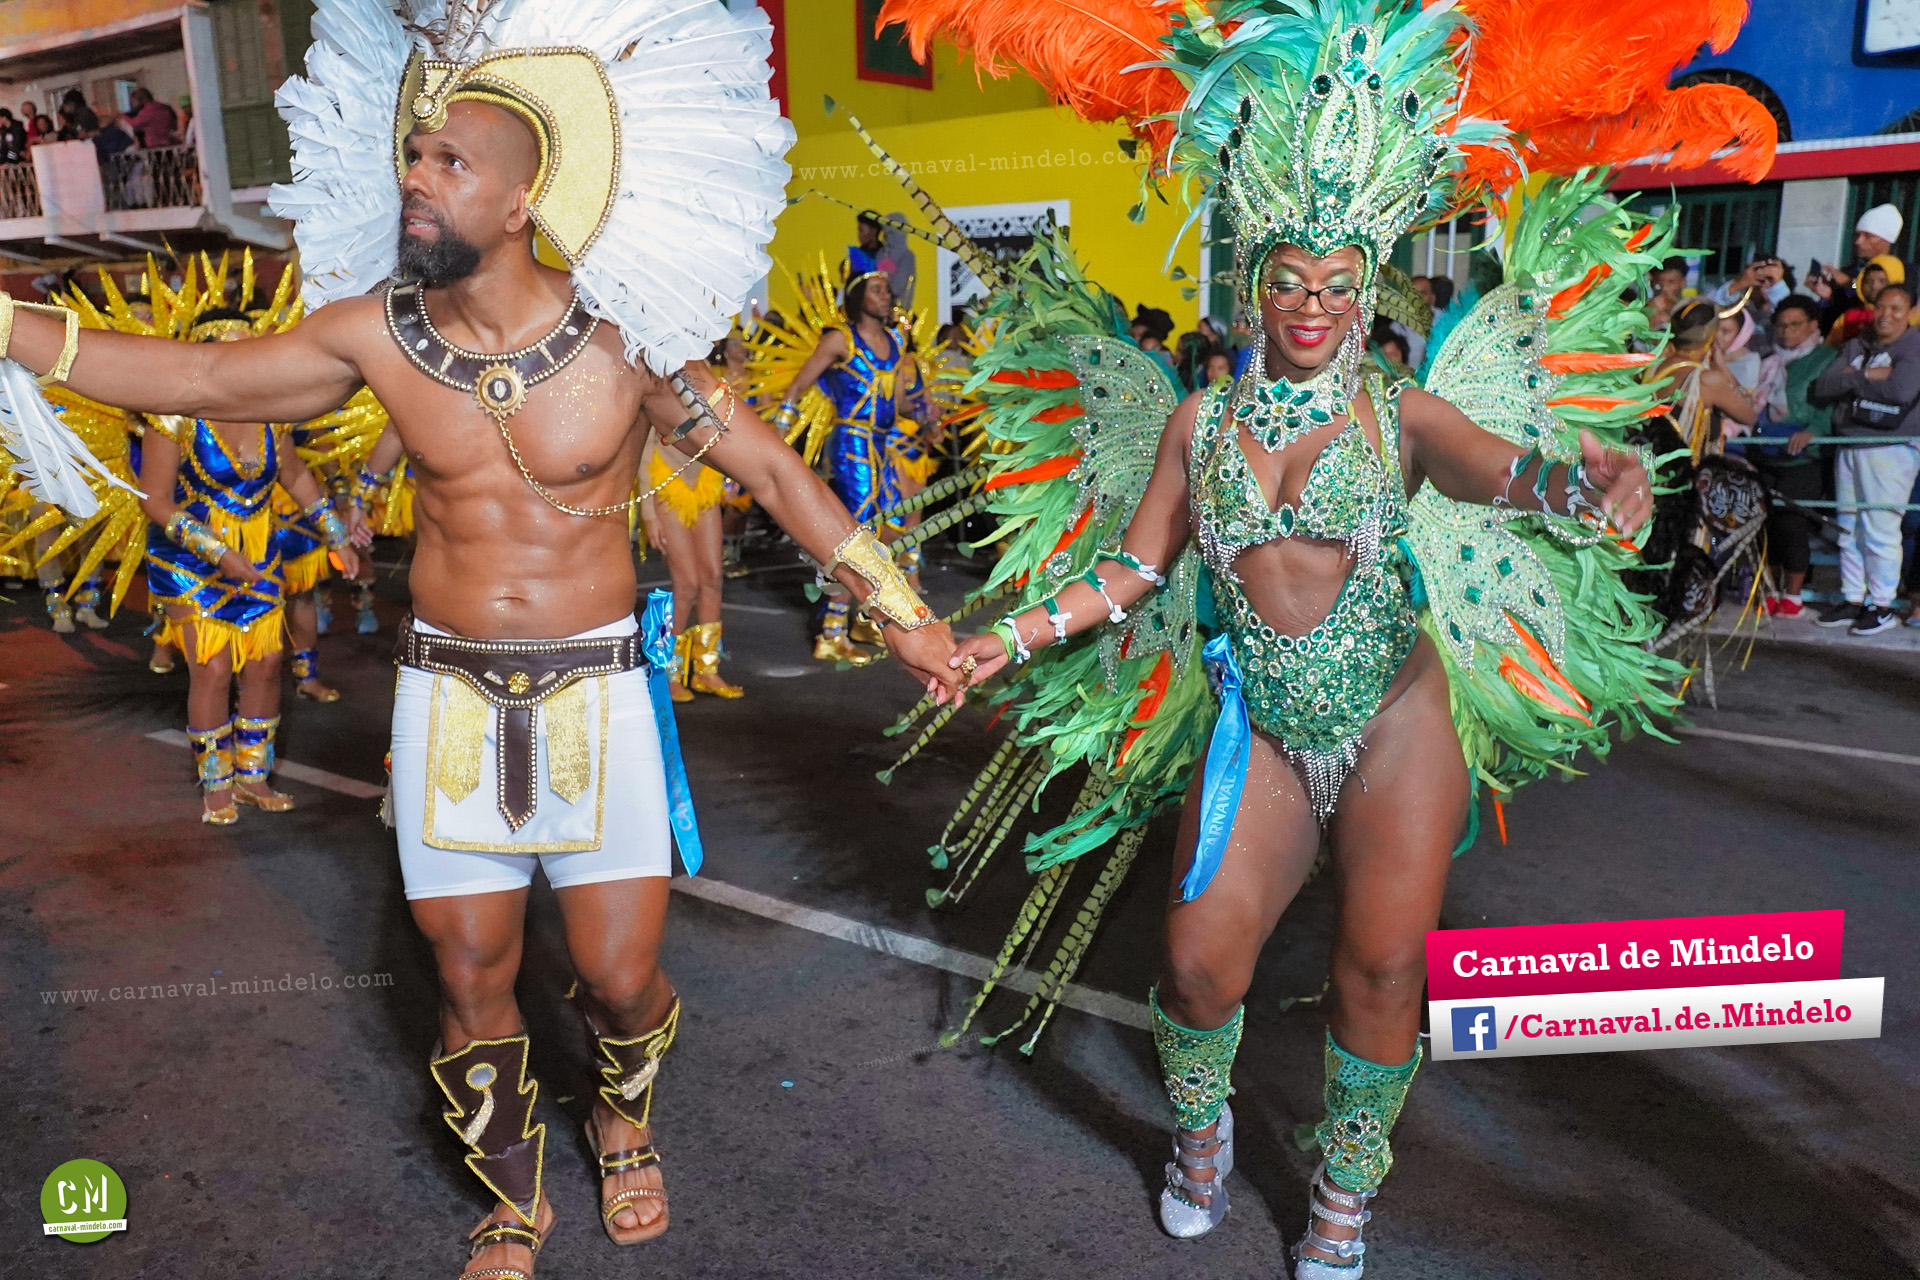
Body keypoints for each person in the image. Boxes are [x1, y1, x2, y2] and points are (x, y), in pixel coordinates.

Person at [0, 5, 965, 1275]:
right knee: (466, 972)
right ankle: (513, 1193)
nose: (416, 175)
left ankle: (621, 1115)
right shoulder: (373, 335)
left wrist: (905, 615)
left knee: (619, 976)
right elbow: (196, 380)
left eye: (449, 161)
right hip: (448, 698)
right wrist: (10, 324)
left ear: (521, 201)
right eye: (413, 154)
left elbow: (780, 475)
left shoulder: (629, 340)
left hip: (599, 694)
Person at [901, 4, 1690, 1275]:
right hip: (1259, 725)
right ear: (1254, 283)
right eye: (1288, 281)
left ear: (1365, 290)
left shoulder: (1401, 412)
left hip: (1394, 720)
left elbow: (1506, 474)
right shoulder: (1200, 423)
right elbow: (1134, 567)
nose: (1311, 305)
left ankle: (1344, 1186)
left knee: (1380, 964)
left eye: (1335, 285)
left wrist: (1582, 485)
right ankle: (1201, 1132)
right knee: (1197, 965)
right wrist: (1012, 635)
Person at [137, 305, 359, 820]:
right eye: (230, 355)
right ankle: (217, 784)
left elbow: (296, 476)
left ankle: (253, 777)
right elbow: (155, 500)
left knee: (265, 664)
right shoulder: (172, 416)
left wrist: (338, 535)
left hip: (258, 553)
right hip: (190, 558)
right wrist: (217, 552)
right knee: (213, 669)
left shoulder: (271, 414)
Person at [773, 267, 937, 662]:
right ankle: (831, 633)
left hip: (882, 446)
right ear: (858, 298)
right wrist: (775, 441)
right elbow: (798, 387)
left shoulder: (895, 342)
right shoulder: (840, 340)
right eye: (876, 290)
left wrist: (924, 415)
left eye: (887, 289)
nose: (885, 295)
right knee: (856, 536)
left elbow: (898, 402)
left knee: (890, 528)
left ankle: (865, 617)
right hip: (851, 443)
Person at [641, 338, 749, 702]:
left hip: (704, 482)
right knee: (685, 582)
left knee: (713, 576)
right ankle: (666, 672)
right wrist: (648, 513)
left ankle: (706, 669)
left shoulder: (711, 379)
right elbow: (643, 449)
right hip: (666, 483)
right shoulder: (656, 375)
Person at [1811, 283, 1920, 636]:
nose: (1886, 315)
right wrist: (1868, 375)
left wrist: (1851, 380)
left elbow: (1900, 391)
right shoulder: (1858, 344)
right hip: (1849, 444)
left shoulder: (1914, 346)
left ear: (1910, 312)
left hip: (1891, 447)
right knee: (1848, 527)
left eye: (1896, 308)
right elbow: (1823, 386)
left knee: (1880, 529)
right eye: (1881, 307)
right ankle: (1853, 598)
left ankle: (1882, 604)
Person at [1746, 296, 1837, 617]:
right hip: (1764, 451)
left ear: (1813, 325)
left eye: (1795, 325)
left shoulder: (1827, 359)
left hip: (1803, 456)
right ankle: (1769, 590)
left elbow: (1832, 404)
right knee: (1764, 524)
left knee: (1792, 524)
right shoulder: (1766, 358)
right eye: (1781, 325)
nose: (1786, 332)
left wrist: (1815, 430)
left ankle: (1793, 594)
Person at [1647, 255, 1689, 330]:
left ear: (1683, 282)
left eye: (1671, 282)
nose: (1665, 288)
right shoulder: (1646, 310)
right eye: (1659, 283)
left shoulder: (1690, 311)